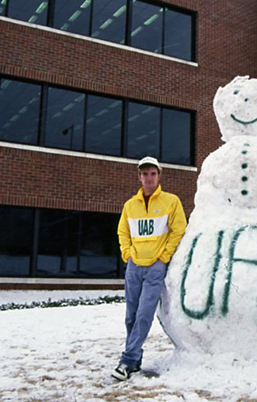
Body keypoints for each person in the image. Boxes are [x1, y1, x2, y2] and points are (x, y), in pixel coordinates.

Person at [112, 156, 187, 381]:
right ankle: (135, 361)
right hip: (134, 267)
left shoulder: (171, 201)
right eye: (145, 174)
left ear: (159, 175)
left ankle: (126, 361)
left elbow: (179, 230)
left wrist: (163, 258)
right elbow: (123, 232)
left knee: (144, 315)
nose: (149, 178)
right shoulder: (130, 205)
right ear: (139, 177)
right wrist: (127, 254)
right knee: (130, 317)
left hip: (155, 267)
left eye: (153, 173)